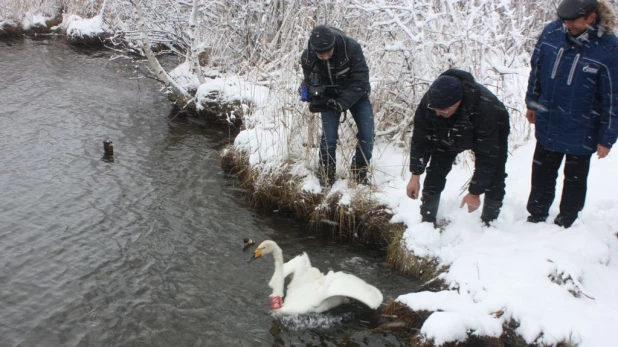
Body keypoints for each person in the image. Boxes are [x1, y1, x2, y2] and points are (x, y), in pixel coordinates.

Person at [524, 0, 618, 228]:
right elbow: (537, 68)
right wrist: (532, 103)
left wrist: (607, 137)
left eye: (573, 21)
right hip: (548, 119)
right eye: (564, 20)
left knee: (575, 180)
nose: (567, 25)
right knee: (542, 173)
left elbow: (613, 97)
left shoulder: (608, 48)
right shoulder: (552, 32)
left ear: (591, 18)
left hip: (583, 126)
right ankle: (535, 216)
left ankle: (566, 222)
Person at [406, 69, 510, 227]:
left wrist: (475, 191)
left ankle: (490, 222)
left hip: (490, 128)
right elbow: (421, 139)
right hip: (449, 132)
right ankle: (427, 221)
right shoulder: (431, 103)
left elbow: (488, 157)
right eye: (435, 109)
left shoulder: (486, 109)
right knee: (436, 170)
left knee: (495, 174)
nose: (438, 113)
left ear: (458, 101)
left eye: (443, 110)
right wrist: (415, 175)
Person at [300, 25, 374, 186]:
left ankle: (359, 173)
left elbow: (361, 82)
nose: (325, 57)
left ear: (333, 45)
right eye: (321, 54)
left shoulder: (351, 48)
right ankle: (326, 176)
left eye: (328, 52)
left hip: (357, 95)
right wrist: (310, 95)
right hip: (328, 97)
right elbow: (309, 81)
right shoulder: (308, 57)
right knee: (329, 138)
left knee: (368, 136)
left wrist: (341, 102)